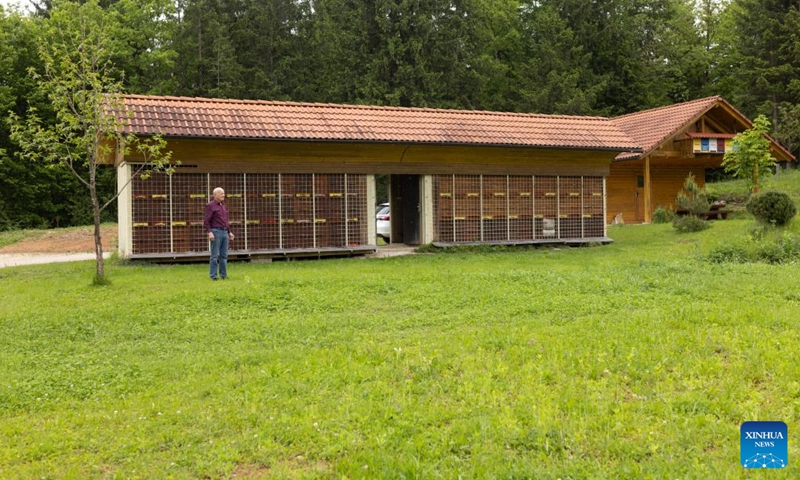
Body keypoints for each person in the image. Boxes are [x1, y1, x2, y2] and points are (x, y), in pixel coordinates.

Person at [204, 187, 234, 280]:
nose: (223, 195)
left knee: (224, 255)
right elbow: (206, 221)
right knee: (214, 255)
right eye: (221, 193)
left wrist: (229, 232)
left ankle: (223, 275)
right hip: (216, 232)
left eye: (224, 193)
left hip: (225, 232)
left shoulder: (223, 206)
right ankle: (213, 276)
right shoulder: (210, 206)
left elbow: (225, 221)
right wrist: (209, 232)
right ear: (215, 195)